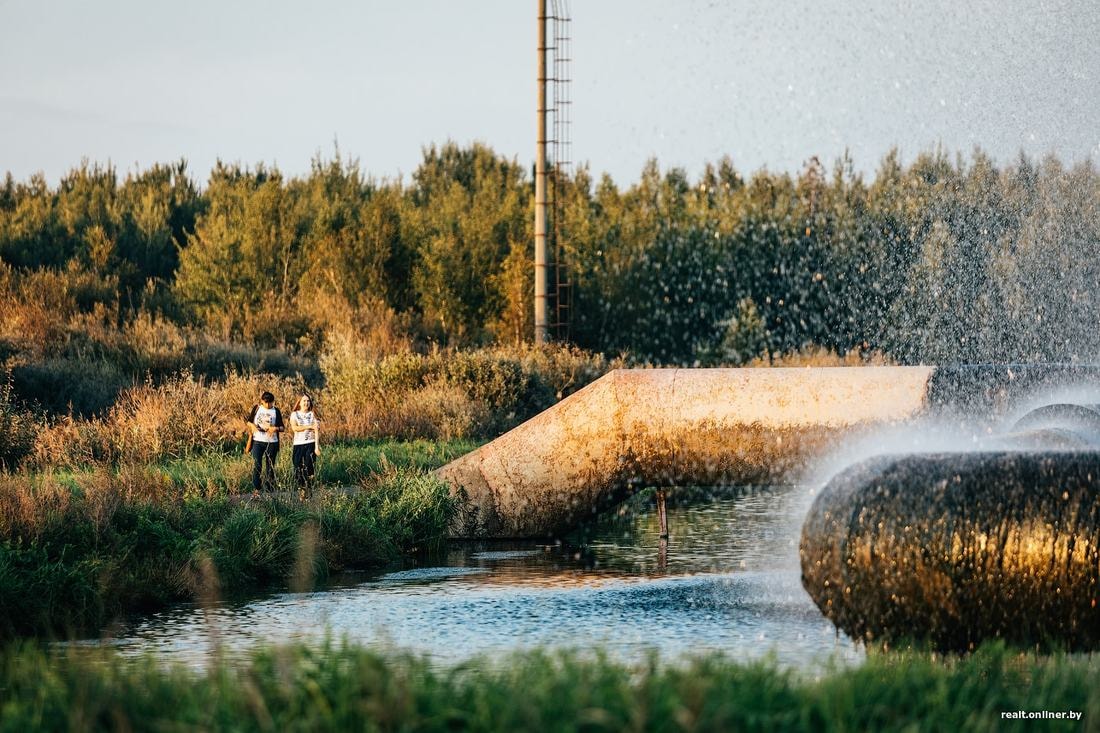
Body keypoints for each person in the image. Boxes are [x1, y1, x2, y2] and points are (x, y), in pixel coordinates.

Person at [246, 391, 284, 493]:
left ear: (273, 402)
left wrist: (275, 428)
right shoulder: (257, 408)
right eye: (266, 402)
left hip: (272, 442)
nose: (268, 405)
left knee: (270, 467)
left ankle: (270, 490)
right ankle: (257, 489)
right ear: (262, 401)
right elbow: (249, 421)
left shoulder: (276, 411)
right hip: (258, 441)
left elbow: (282, 428)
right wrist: (253, 426)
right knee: (257, 465)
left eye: (270, 402)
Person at [289, 393, 320, 495]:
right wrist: (309, 426)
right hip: (298, 444)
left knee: (309, 468)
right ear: (300, 402)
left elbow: (316, 431)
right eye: (304, 401)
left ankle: (308, 489)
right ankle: (303, 489)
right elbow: (295, 428)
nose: (306, 403)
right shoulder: (294, 414)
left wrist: (316, 447)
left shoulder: (313, 414)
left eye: (308, 401)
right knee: (298, 468)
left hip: (310, 443)